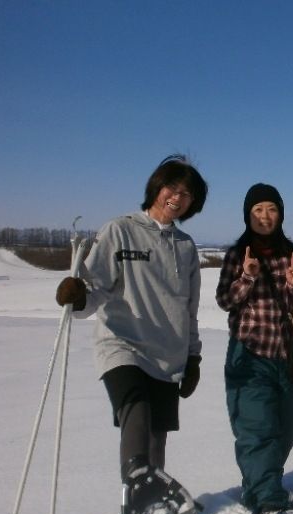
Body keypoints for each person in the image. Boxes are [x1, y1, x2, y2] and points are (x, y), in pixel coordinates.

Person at [55, 154, 207, 481]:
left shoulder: (186, 247)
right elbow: (95, 288)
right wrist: (78, 297)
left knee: (156, 439)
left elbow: (190, 309)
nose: (177, 197)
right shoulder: (120, 230)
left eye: (187, 194)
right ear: (156, 187)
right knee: (136, 412)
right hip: (122, 346)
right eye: (172, 188)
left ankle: (153, 502)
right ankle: (139, 490)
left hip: (168, 356)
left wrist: (193, 357)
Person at [216, 183, 293, 514]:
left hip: (286, 356)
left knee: (288, 424)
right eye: (258, 210)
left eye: (271, 209)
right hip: (249, 354)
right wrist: (247, 276)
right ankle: (269, 505)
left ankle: (258, 490)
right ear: (248, 215)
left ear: (280, 214)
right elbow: (225, 300)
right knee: (257, 430)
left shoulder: (292, 253)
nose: (265, 216)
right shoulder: (237, 254)